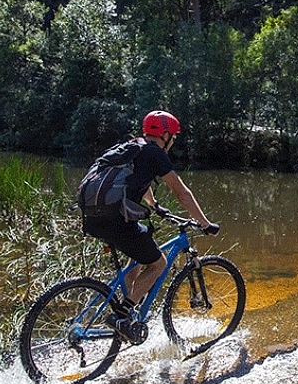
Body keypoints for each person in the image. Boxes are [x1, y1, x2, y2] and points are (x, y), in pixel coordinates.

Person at [81, 110, 220, 343]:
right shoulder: (155, 153)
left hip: (93, 217)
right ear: (164, 135)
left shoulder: (133, 146)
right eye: (173, 137)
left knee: (136, 251)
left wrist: (153, 204)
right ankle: (123, 315)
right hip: (116, 220)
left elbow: (136, 179)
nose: (173, 141)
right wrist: (205, 224)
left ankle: (124, 306)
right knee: (159, 263)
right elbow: (182, 192)